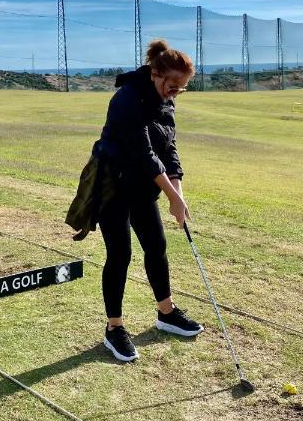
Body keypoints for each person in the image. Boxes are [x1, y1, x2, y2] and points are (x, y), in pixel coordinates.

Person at [69, 39, 203, 362]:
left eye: (181, 89)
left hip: (143, 186)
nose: (175, 93)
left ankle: (166, 313)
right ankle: (114, 328)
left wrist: (178, 192)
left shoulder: (166, 100)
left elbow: (168, 148)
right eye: (173, 86)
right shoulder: (127, 99)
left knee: (156, 245)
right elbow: (145, 155)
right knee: (120, 253)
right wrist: (171, 196)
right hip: (112, 184)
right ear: (155, 73)